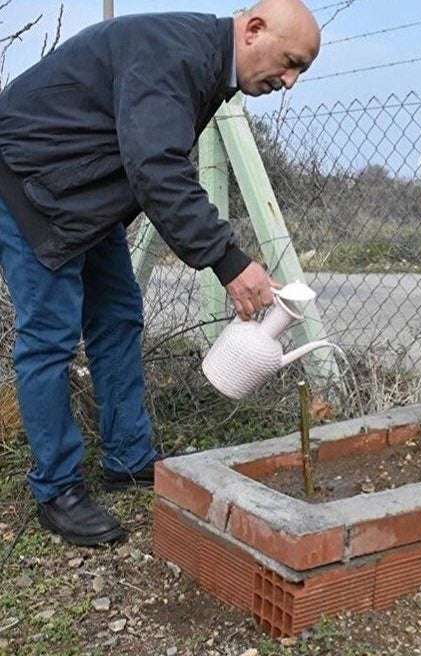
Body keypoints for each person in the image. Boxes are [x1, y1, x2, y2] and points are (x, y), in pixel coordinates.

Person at [0, 0, 321, 546]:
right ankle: (56, 488)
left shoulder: (203, 61)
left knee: (119, 316)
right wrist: (228, 260)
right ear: (254, 29)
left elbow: (150, 157)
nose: (289, 81)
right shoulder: (175, 56)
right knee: (49, 339)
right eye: (290, 62)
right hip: (32, 182)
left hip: (84, 193)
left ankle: (127, 456)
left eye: (300, 71)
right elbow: (156, 168)